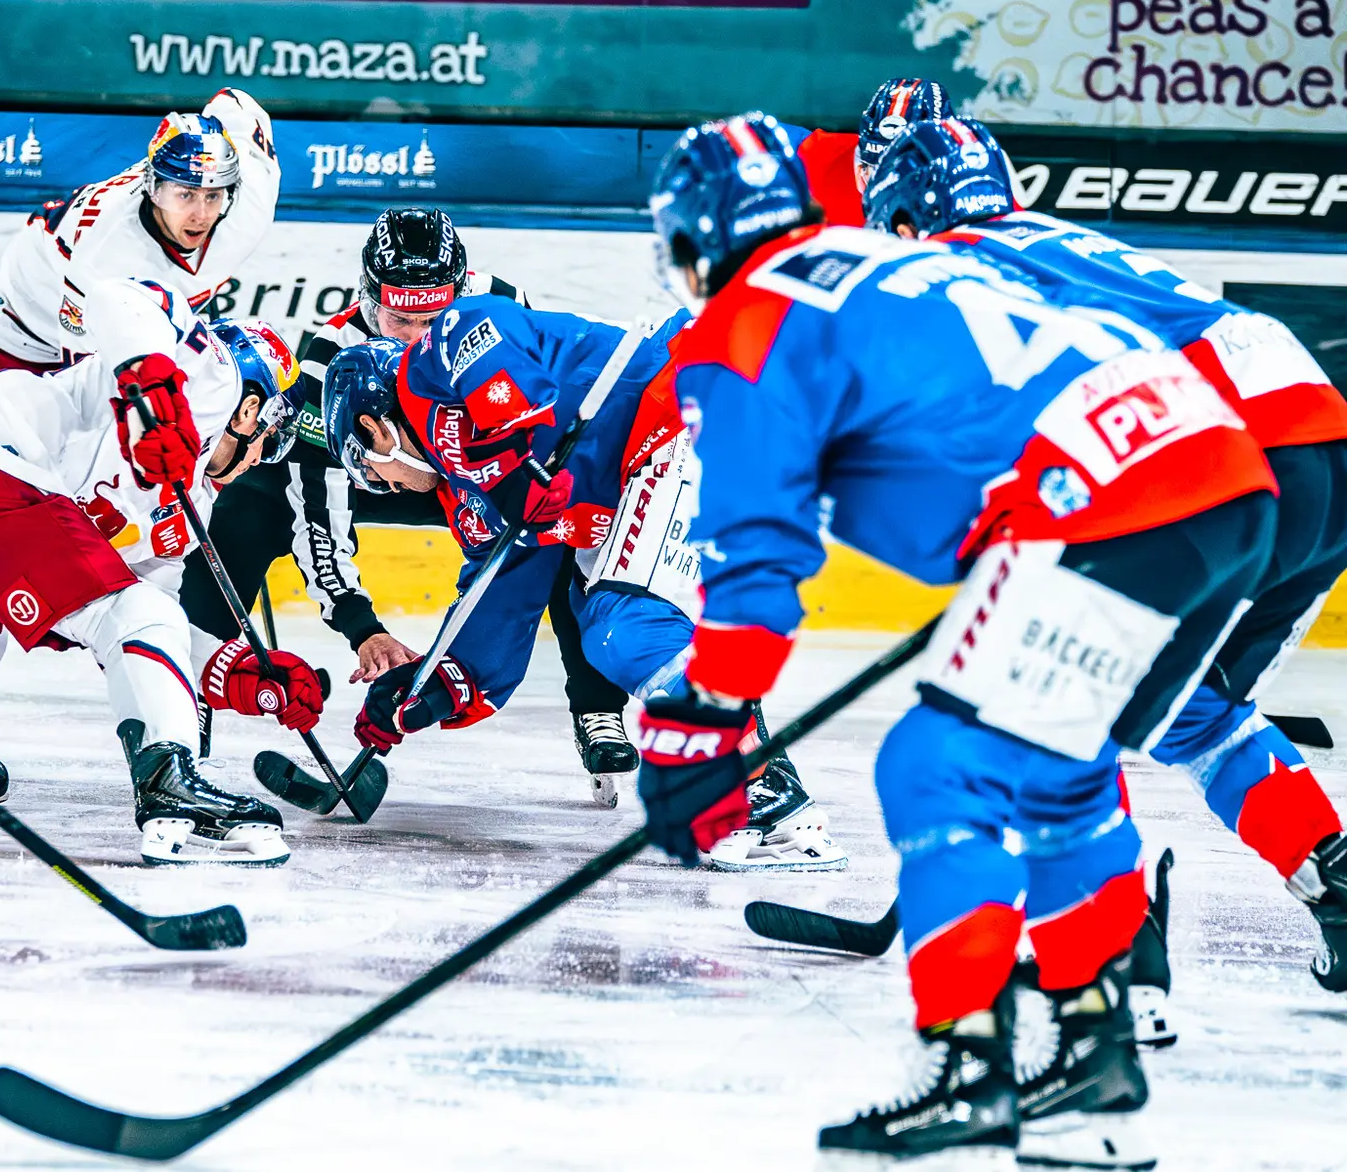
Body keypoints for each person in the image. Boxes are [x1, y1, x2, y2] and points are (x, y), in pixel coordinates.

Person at [636, 112, 1284, 1165]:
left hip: (1096, 502)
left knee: (933, 764)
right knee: (1062, 776)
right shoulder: (890, 262)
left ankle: (965, 1067)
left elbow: (756, 562)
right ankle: (1090, 1062)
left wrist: (707, 721)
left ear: (690, 240)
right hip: (1220, 469)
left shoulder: (744, 322)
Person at [866, 113, 1347, 996]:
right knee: (1194, 712)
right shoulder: (1056, 238)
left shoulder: (955, 273)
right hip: (1322, 442)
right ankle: (1338, 880)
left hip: (1225, 463)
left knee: (1060, 702)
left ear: (905, 219)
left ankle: (1111, 944)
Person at [324, 296, 850, 870]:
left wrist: (508, 460)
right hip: (667, 447)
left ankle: (768, 801)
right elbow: (497, 609)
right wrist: (433, 686)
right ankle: (758, 771)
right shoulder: (468, 497)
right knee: (611, 621)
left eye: (369, 469)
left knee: (626, 625)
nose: (386, 486)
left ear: (374, 429)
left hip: (693, 394)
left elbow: (484, 336)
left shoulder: (428, 368)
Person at [0, 278, 323, 867]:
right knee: (137, 613)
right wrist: (157, 388)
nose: (260, 457)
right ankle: (171, 792)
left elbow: (146, 627)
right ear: (251, 410)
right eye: (269, 438)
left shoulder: (190, 506)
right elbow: (125, 296)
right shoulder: (208, 375)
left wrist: (235, 671)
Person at [180, 206, 637, 801]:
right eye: (399, 319)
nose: (416, 339)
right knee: (248, 502)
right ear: (368, 300)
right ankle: (190, 687)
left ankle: (598, 707)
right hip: (382, 472)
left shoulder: (501, 306)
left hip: (472, 473)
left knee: (561, 527)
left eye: (433, 319)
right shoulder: (331, 355)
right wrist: (361, 627)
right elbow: (318, 508)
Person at [0, 88, 279, 376]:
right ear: (153, 188)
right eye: (185, 195)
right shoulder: (106, 253)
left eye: (213, 196)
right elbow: (86, 385)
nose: (202, 216)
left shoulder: (251, 201)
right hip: (25, 334)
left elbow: (233, 101)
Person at [782, 77, 953, 226]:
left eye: (904, 173)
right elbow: (770, 138)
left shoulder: (962, 194)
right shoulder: (817, 157)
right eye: (875, 169)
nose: (887, 185)